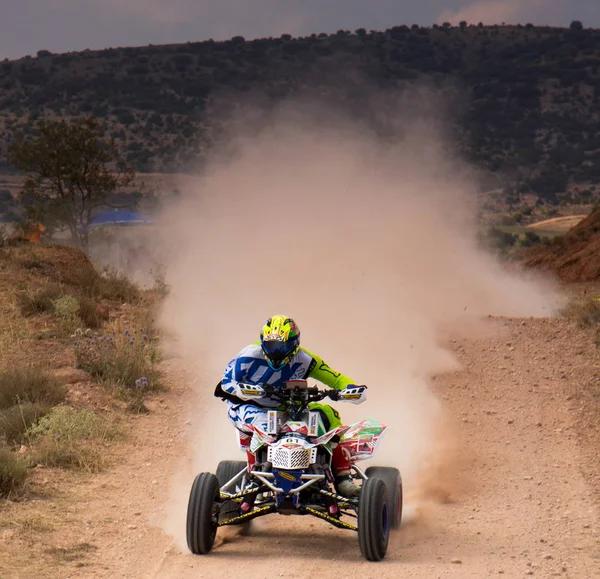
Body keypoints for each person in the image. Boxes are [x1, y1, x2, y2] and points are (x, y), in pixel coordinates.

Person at [214, 314, 368, 498]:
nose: (277, 351)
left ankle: (342, 477)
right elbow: (226, 382)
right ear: (263, 342)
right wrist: (246, 391)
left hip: (287, 409)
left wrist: (350, 389)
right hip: (247, 406)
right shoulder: (248, 354)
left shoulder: (306, 360)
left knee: (327, 415)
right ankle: (256, 476)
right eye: (272, 345)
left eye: (282, 346)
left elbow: (336, 379)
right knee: (264, 426)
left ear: (295, 343)